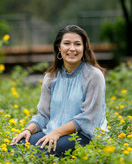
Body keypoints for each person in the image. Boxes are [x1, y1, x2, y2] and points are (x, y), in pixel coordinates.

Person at [10, 25, 108, 157]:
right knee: (13, 147)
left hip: (83, 136)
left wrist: (57, 133)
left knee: (37, 152)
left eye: (77, 44)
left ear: (84, 48)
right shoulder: (51, 77)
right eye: (67, 43)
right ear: (59, 47)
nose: (72, 48)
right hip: (51, 132)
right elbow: (44, 115)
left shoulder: (94, 76)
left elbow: (88, 118)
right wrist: (28, 130)